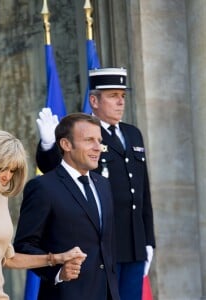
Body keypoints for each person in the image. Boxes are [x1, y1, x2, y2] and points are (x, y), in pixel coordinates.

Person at [35, 68, 156, 300]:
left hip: (134, 243)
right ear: (94, 100)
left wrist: (148, 239)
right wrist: (49, 146)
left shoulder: (133, 134)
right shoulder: (82, 133)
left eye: (123, 96)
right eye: (112, 95)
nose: (120, 102)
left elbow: (143, 192)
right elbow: (57, 172)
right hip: (101, 245)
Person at [0, 130, 86, 300]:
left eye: (12, 170)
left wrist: (57, 258)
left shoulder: (1, 198)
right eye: (3, 168)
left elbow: (10, 259)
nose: (7, 176)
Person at [14, 113, 120, 300]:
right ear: (66, 145)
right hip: (65, 294)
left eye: (99, 140)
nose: (98, 147)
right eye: (89, 140)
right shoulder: (43, 187)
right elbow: (24, 246)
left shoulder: (104, 185)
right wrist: (58, 271)